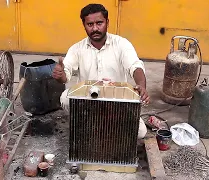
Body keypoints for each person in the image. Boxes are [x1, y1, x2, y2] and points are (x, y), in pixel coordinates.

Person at [52, 3, 150, 139]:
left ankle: (110, 124)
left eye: (99, 23)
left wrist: (141, 85)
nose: (95, 28)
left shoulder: (121, 44)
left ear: (107, 22)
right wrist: (60, 75)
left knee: (140, 133)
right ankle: (86, 121)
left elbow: (135, 66)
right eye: (90, 24)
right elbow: (65, 75)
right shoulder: (76, 49)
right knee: (65, 98)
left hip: (117, 102)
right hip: (88, 101)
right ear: (84, 25)